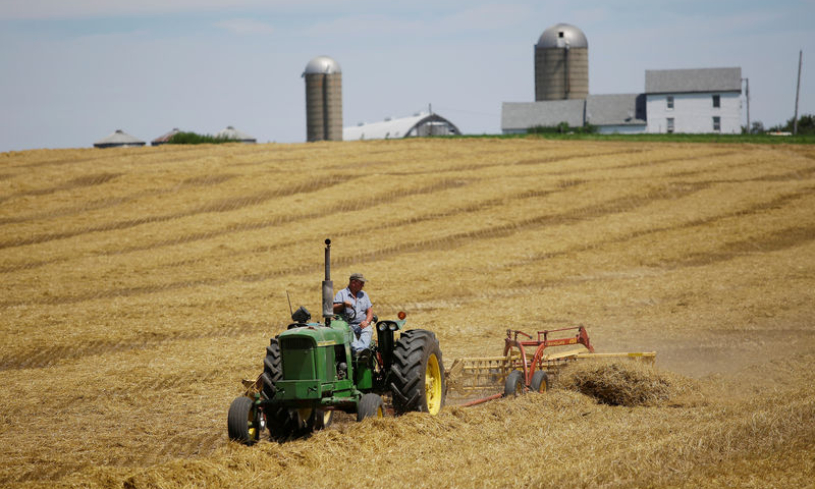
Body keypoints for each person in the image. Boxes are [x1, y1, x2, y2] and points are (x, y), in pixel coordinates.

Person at [333, 272, 373, 353]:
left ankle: (362, 352)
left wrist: (367, 322)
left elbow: (370, 311)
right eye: (361, 283)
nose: (363, 285)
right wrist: (343, 305)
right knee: (349, 332)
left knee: (368, 330)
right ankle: (360, 352)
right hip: (347, 325)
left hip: (361, 324)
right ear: (353, 282)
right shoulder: (341, 294)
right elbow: (333, 309)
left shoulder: (364, 295)